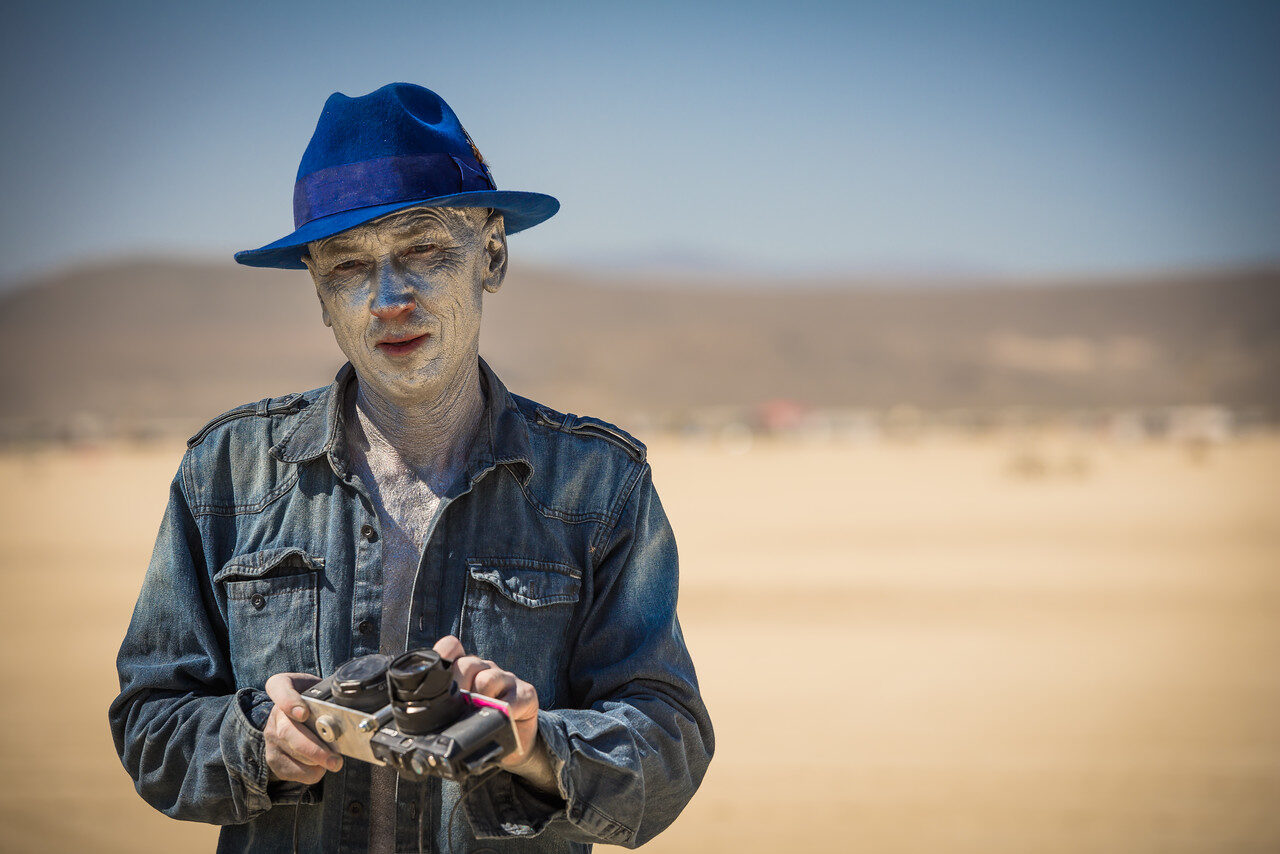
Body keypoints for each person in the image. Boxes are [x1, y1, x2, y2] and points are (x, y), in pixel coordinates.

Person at [109, 83, 714, 853]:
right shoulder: (227, 476)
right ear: (319, 293)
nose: (388, 298)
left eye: (423, 249)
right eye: (347, 266)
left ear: (491, 256)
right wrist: (260, 742)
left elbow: (669, 739)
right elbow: (151, 720)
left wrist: (531, 747)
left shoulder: (596, 487)